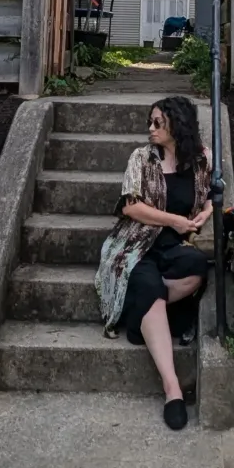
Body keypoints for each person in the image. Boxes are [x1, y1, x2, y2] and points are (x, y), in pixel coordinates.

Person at [94, 96, 212, 430]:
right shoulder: (142, 158)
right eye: (150, 122)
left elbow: (209, 199)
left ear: (178, 123)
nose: (151, 128)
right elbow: (131, 207)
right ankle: (172, 389)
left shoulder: (201, 159)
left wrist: (204, 213)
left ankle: (139, 315)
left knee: (196, 269)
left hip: (174, 247)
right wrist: (173, 220)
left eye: (157, 122)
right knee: (148, 283)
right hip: (136, 246)